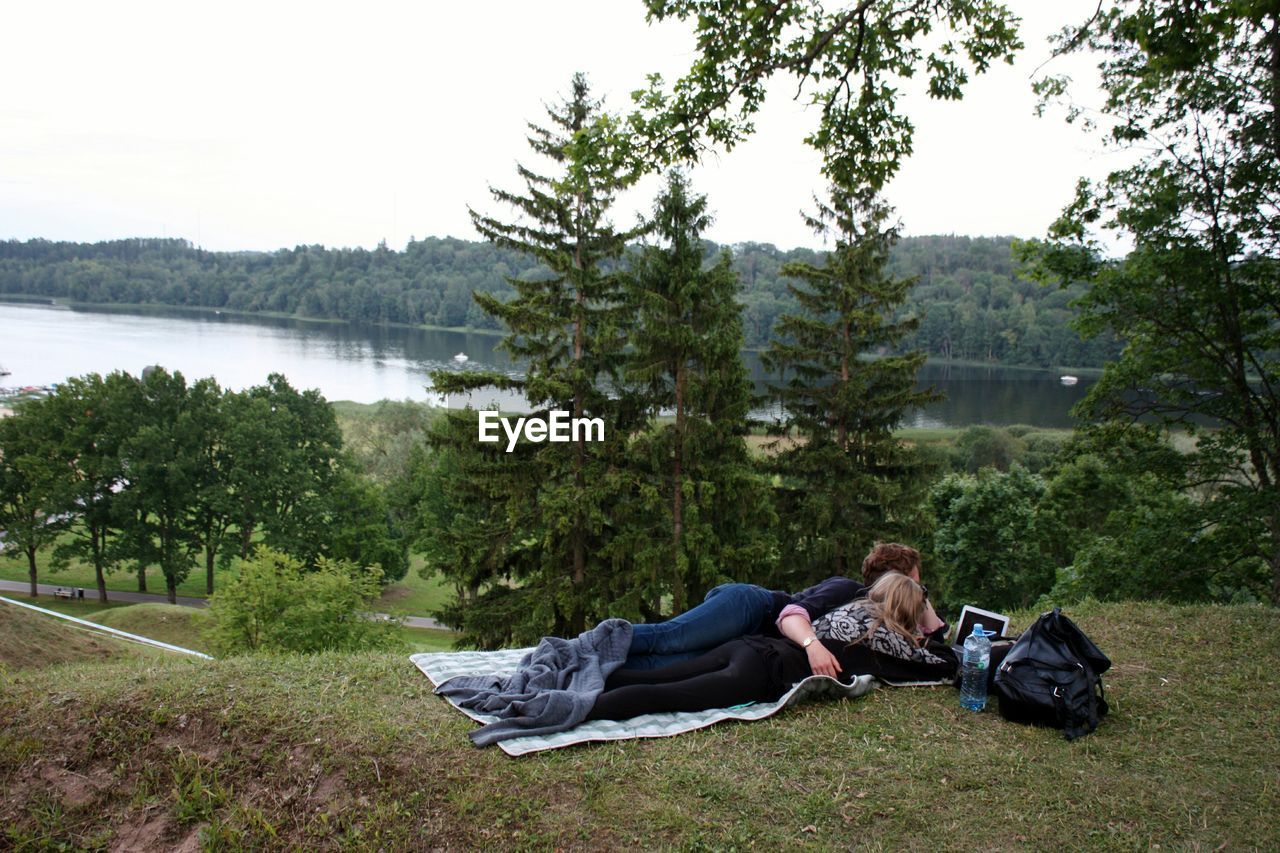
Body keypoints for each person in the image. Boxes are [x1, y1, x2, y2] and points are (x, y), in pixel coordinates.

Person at [587, 573, 956, 721]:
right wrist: (932, 622)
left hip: (748, 645)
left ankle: (583, 678)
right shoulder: (886, 639)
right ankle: (574, 708)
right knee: (663, 691)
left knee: (659, 674)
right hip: (759, 665)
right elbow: (944, 664)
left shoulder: (851, 607)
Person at [624, 542, 948, 671]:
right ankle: (579, 646)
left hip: (753, 641)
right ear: (900, 582)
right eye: (918, 584)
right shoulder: (848, 590)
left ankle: (596, 671)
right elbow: (789, 614)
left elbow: (933, 644)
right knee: (668, 638)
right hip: (750, 608)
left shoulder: (874, 618)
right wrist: (812, 645)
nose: (920, 593)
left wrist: (927, 610)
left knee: (670, 663)